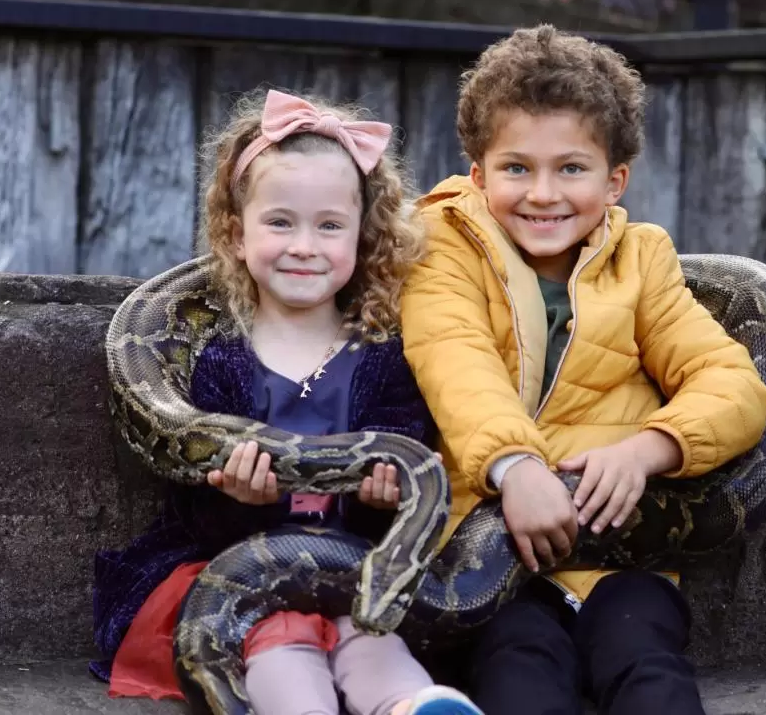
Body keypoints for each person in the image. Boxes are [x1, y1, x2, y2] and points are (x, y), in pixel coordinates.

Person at [400, 24, 766, 715]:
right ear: (478, 173)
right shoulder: (440, 250)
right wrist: (517, 467)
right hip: (485, 553)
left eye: (571, 168)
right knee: (519, 672)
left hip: (620, 560)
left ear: (613, 178)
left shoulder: (642, 260)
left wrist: (648, 448)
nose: (543, 194)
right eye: (517, 168)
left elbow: (735, 385)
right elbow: (458, 367)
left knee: (649, 667)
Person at [92, 88, 482, 715]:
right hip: (233, 572)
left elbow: (408, 465)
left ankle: (413, 707)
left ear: (365, 239)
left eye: (330, 226)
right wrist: (238, 501)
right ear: (236, 235)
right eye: (280, 222)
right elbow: (194, 519)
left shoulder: (385, 355)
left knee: (369, 632)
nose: (304, 245)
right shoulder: (221, 359)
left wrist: (382, 505)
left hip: (352, 565)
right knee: (283, 637)